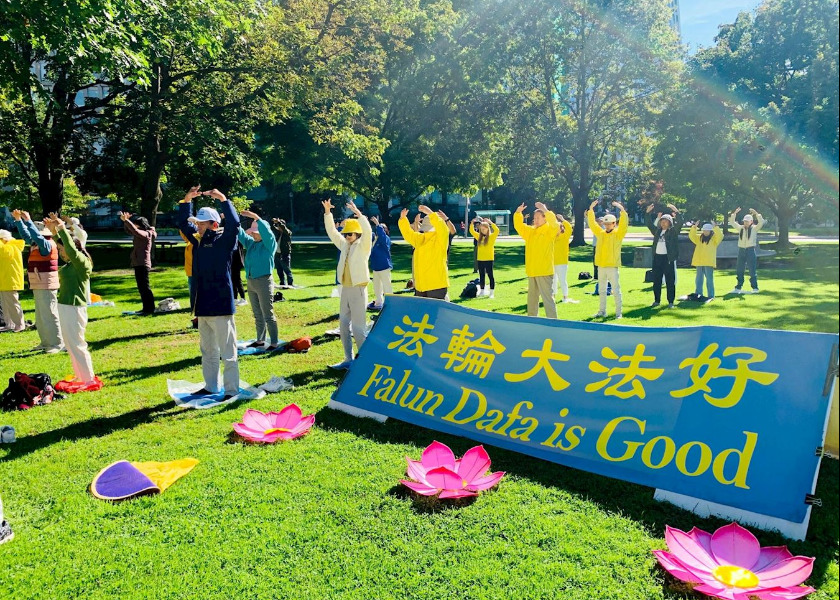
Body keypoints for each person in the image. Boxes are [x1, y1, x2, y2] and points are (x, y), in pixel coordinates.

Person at [179, 186, 242, 399]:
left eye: (202, 223)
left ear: (214, 224)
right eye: (197, 223)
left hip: (221, 306)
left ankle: (232, 390)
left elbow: (234, 224)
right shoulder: (197, 242)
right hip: (203, 306)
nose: (197, 226)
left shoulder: (225, 241)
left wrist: (224, 199)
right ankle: (211, 386)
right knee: (208, 352)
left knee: (228, 352)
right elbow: (183, 224)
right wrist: (187, 200)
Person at [44, 214, 98, 387]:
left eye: (61, 250)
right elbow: (65, 245)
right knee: (70, 343)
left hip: (74, 307)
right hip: (66, 306)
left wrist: (61, 228)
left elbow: (70, 247)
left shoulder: (82, 262)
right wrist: (54, 232)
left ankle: (88, 379)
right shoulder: (70, 264)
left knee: (77, 343)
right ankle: (80, 375)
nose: (60, 253)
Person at [323, 199, 372, 370]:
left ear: (357, 234)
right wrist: (328, 213)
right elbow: (332, 233)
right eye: (345, 234)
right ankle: (347, 359)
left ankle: (365, 361)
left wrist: (359, 215)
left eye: (349, 234)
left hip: (359, 289)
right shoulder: (344, 245)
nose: (346, 237)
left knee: (358, 329)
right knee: (343, 325)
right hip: (345, 289)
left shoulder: (363, 246)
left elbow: (368, 232)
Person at [12, 210, 64, 352]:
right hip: (39, 283)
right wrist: (18, 220)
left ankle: (57, 344)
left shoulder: (46, 244)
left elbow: (34, 235)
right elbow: (26, 235)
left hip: (46, 284)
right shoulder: (37, 243)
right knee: (41, 316)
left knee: (49, 314)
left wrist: (28, 220)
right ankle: (46, 342)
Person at [238, 209, 280, 350]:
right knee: (257, 314)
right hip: (251, 282)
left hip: (264, 282)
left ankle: (274, 342)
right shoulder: (251, 244)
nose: (253, 234)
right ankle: (260, 340)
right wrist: (232, 218)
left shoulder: (269, 245)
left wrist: (256, 217)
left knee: (268, 313)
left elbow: (268, 233)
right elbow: (240, 234)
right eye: (253, 232)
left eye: (255, 233)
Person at [514, 202, 559, 318]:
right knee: (532, 300)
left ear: (545, 218)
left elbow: (555, 224)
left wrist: (545, 209)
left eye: (538, 218)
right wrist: (518, 213)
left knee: (548, 299)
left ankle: (553, 322)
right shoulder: (530, 232)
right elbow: (519, 227)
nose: (536, 220)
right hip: (532, 271)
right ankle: (532, 321)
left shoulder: (549, 230)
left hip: (544, 271)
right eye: (535, 218)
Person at [398, 205, 450, 300]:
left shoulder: (440, 239)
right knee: (422, 313)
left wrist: (430, 213)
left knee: (434, 313)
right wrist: (403, 219)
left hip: (436, 285)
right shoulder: (420, 238)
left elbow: (443, 229)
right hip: (421, 286)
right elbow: (408, 234)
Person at [587, 199, 628, 319]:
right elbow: (593, 224)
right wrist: (590, 210)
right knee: (602, 290)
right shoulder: (601, 233)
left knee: (616, 290)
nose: (607, 225)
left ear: (614, 224)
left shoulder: (618, 234)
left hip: (612, 267)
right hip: (601, 266)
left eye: (609, 223)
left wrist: (622, 210)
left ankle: (618, 313)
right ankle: (602, 311)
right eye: (605, 223)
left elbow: (624, 226)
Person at [119, 212, 157, 315]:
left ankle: (149, 309)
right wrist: (126, 221)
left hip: (142, 263)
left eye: (135, 224)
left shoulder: (147, 234)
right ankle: (146, 308)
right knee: (142, 287)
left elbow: (134, 230)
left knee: (145, 287)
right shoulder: (142, 233)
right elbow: (130, 230)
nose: (134, 226)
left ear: (140, 225)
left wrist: (126, 221)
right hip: (138, 263)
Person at [645, 202, 681, 308]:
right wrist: (647, 213)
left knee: (670, 281)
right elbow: (649, 224)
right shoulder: (657, 231)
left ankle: (670, 302)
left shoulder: (673, 232)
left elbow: (680, 223)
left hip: (668, 259)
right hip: (657, 258)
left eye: (666, 221)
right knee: (657, 281)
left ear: (670, 222)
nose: (663, 223)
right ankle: (657, 300)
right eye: (662, 221)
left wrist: (677, 211)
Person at [729, 207, 764, 294]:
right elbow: (732, 222)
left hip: (750, 250)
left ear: (751, 222)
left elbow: (761, 222)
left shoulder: (754, 228)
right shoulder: (740, 228)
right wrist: (735, 213)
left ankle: (755, 288)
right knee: (739, 269)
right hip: (741, 250)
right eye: (744, 221)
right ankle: (738, 287)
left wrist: (756, 213)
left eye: (747, 221)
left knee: (752, 270)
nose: (745, 223)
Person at [689, 222, 724, 301]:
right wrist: (694, 227)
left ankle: (711, 295)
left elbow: (720, 236)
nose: (705, 232)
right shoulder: (699, 238)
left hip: (708, 262)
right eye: (704, 230)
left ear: (711, 231)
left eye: (707, 231)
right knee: (698, 279)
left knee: (709, 279)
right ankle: (698, 293)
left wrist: (716, 227)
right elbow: (691, 236)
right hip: (699, 261)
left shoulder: (714, 239)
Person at [0, 228, 26, 332]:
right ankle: (9, 324)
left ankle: (19, 324)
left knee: (13, 303)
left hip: (10, 279)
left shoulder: (11, 246)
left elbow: (4, 253)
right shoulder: (7, 246)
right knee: (5, 304)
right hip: (4, 279)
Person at [469, 217, 500, 298]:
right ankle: (482, 291)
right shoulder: (478, 237)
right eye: (481, 229)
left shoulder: (491, 237)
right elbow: (471, 231)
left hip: (489, 259)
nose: (483, 230)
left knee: (490, 275)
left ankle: (491, 292)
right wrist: (472, 223)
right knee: (481, 275)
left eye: (484, 229)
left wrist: (490, 222)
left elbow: (497, 230)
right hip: (480, 259)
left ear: (488, 229)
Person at [368, 216, 392, 310]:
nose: (379, 229)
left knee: (387, 286)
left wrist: (378, 224)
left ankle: (390, 303)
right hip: (376, 266)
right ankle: (379, 302)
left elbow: (382, 236)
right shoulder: (375, 239)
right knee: (377, 287)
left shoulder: (385, 238)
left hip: (384, 266)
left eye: (382, 228)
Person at [553, 214, 577, 303]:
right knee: (553, 281)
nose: (556, 229)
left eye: (558, 227)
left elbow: (569, 227)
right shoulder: (552, 238)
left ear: (561, 228)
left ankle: (565, 297)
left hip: (562, 262)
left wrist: (562, 219)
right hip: (552, 262)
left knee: (562, 280)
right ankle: (553, 296)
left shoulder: (565, 236)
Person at [271, 218, 295, 288]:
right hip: (278, 254)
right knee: (279, 270)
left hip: (285, 254)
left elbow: (283, 228)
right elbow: (272, 227)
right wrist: (274, 222)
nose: (278, 227)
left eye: (279, 225)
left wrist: (278, 222)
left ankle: (290, 284)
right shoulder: (279, 233)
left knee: (287, 270)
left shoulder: (287, 233)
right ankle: (282, 283)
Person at [230, 240, 247, 305]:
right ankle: (235, 298)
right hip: (232, 262)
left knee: (237, 280)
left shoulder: (238, 239)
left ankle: (243, 298)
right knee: (233, 280)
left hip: (237, 262)